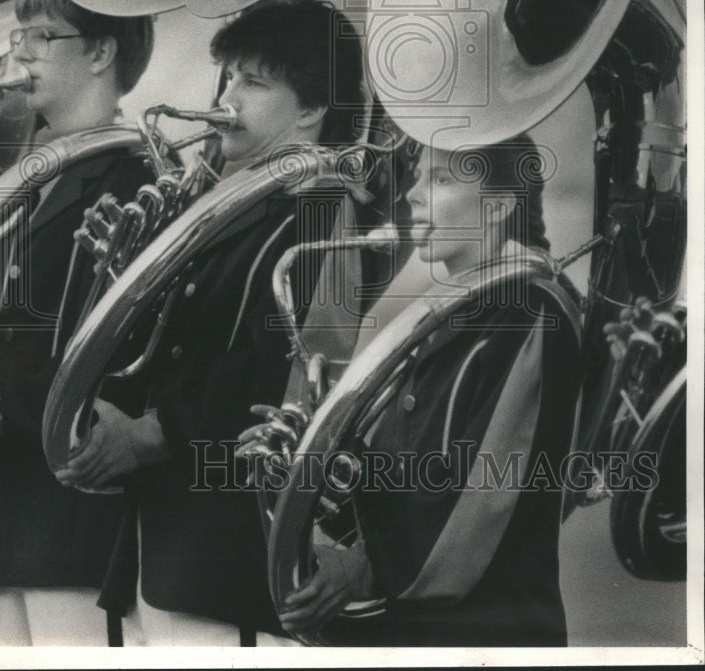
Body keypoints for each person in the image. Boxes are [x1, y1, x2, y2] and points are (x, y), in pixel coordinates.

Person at [54, 0, 367, 646]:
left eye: (253, 82)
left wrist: (146, 435)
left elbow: (280, 370)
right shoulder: (225, 206)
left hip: (233, 561)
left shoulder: (319, 211)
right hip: (166, 549)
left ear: (311, 109)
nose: (226, 95)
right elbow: (160, 351)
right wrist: (114, 270)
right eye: (228, 76)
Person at [248, 133, 583, 647]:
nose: (411, 195)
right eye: (419, 175)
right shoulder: (449, 308)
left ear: (496, 207)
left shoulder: (528, 311)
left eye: (441, 178)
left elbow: (480, 496)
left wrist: (364, 566)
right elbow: (405, 462)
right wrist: (307, 459)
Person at [0, 0, 155, 646]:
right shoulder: (23, 181)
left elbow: (116, 357)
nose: (16, 55)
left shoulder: (132, 179)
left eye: (39, 36)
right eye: (17, 35)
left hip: (71, 519)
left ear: (100, 52)